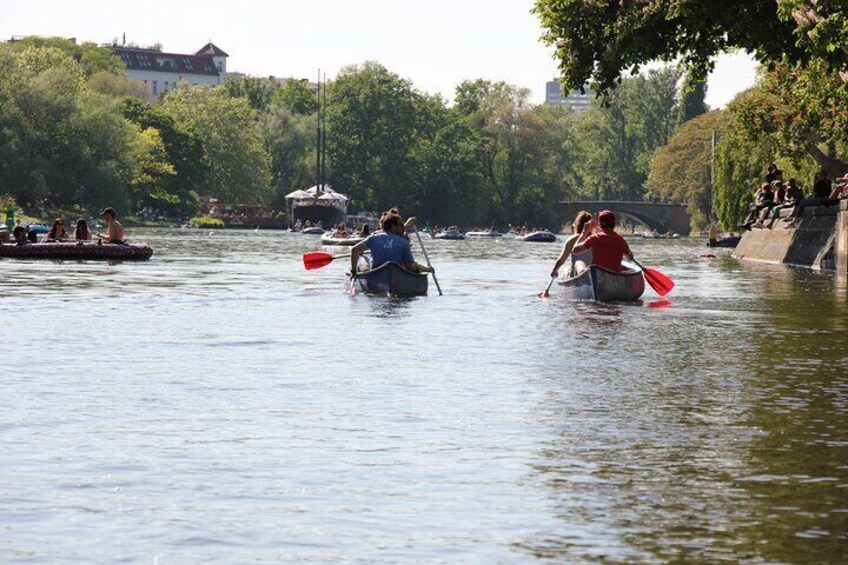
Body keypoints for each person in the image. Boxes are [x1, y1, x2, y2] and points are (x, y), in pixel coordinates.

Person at [350, 209, 434, 275]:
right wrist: (417, 272)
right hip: (398, 271)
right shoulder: (404, 242)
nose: (402, 227)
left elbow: (354, 250)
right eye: (400, 225)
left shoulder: (373, 237)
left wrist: (353, 271)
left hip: (377, 271)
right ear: (393, 227)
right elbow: (409, 267)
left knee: (362, 263)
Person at [570, 210, 634, 273]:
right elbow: (630, 258)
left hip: (598, 276)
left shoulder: (595, 238)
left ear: (600, 224)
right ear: (614, 224)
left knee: (578, 263)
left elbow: (575, 250)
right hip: (614, 276)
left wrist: (585, 232)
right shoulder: (621, 240)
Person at [550, 211, 593, 279]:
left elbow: (561, 260)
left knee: (566, 269)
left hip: (575, 275)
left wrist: (554, 270)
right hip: (591, 275)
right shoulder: (595, 239)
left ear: (577, 224)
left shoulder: (572, 240)